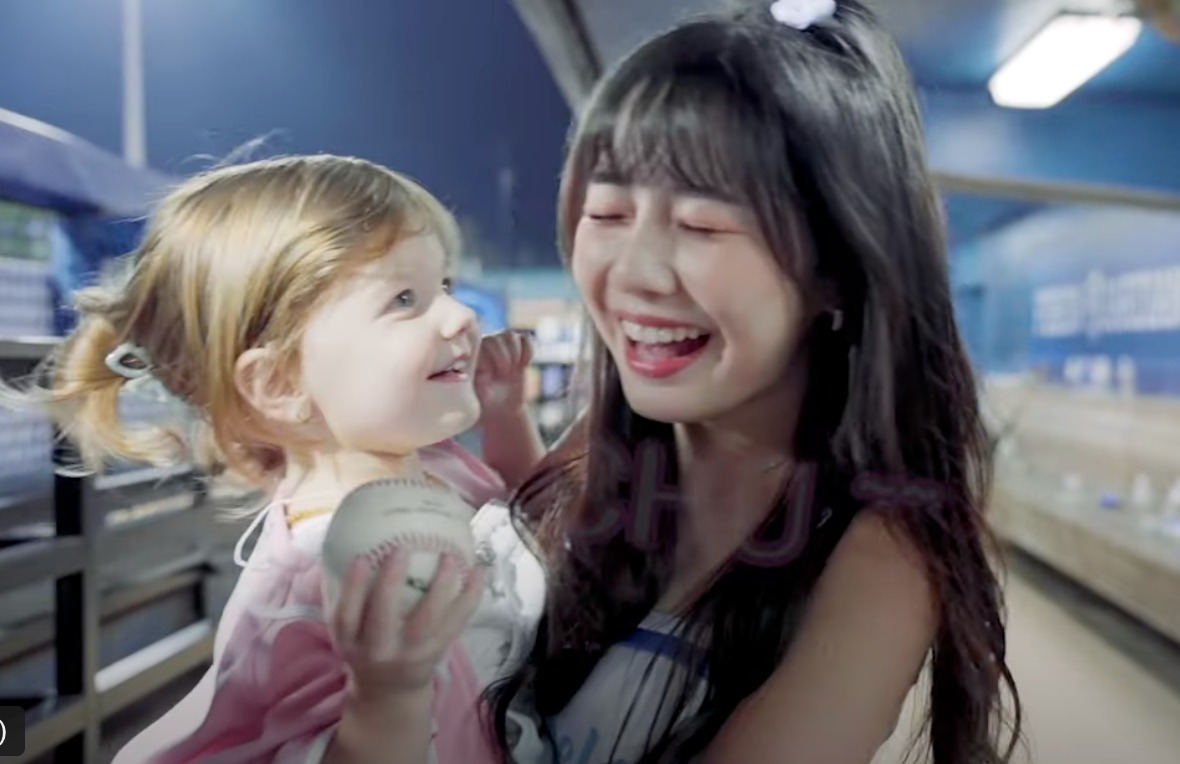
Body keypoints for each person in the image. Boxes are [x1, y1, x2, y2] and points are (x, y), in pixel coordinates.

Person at [482, 1, 1023, 762]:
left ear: (837, 270)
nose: (635, 273)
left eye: (702, 226)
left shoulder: (880, 560)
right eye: (607, 214)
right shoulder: (593, 452)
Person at [4, 154, 546, 764]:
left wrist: (508, 419)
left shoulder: (435, 465)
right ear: (280, 383)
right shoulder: (308, 586)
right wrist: (388, 698)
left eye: (443, 285)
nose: (462, 314)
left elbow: (529, 515)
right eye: (404, 298)